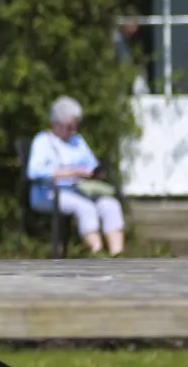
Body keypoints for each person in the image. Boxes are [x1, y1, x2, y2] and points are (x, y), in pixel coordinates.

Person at [26, 96, 126, 255]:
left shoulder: (77, 140)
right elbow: (34, 172)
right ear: (56, 124)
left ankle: (118, 256)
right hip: (49, 193)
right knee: (85, 208)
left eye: (75, 126)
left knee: (110, 205)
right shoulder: (42, 141)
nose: (73, 131)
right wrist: (72, 172)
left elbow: (91, 164)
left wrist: (95, 173)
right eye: (69, 127)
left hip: (80, 190)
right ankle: (97, 255)